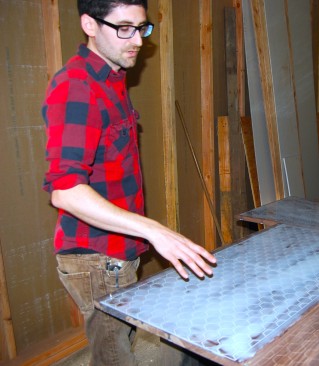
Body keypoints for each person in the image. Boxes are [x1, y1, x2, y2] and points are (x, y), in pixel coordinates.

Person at [42, 1, 217, 365]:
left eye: (141, 28)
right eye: (124, 28)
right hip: (95, 256)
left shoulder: (113, 76)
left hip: (119, 248)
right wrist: (155, 231)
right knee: (113, 356)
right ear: (89, 24)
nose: (136, 39)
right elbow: (66, 190)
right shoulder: (77, 87)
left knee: (124, 335)